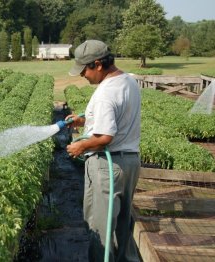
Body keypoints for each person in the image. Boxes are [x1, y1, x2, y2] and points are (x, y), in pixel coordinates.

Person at [66, 40, 141, 262]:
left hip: (108, 167)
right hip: (130, 163)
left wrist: (81, 145)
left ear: (98, 64)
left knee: (100, 230)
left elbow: (105, 137)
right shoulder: (128, 80)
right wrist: (83, 121)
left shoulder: (105, 93)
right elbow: (119, 117)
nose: (82, 76)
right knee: (121, 228)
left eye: (84, 70)